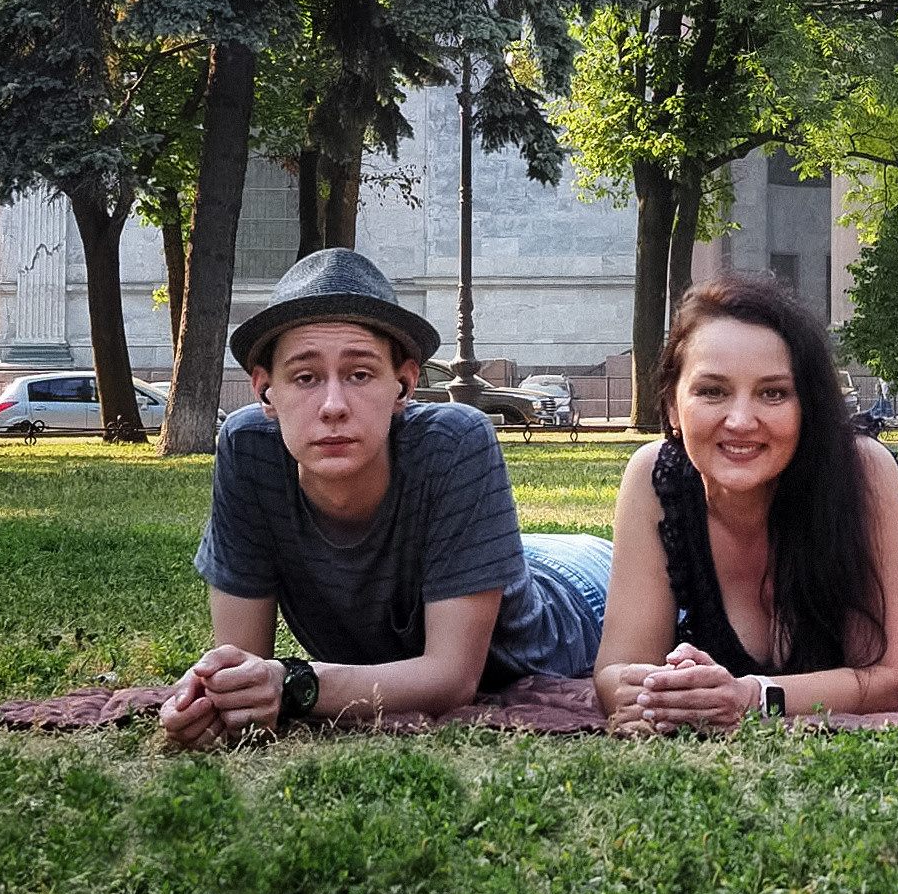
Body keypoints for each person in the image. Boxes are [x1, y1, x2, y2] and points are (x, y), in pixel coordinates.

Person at [158, 249, 613, 747]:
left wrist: (292, 684)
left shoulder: (456, 439)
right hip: (494, 561)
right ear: (266, 391)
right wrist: (217, 695)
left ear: (404, 385)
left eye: (359, 374)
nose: (333, 406)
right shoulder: (249, 449)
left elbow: (453, 679)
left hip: (582, 589)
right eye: (305, 377)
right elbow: (242, 664)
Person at [595, 274, 898, 731]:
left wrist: (751, 698)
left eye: (773, 393)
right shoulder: (656, 479)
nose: (740, 420)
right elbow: (616, 671)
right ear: (673, 407)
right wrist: (652, 695)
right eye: (712, 391)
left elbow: (885, 680)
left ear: (808, 407)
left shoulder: (863, 468)